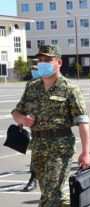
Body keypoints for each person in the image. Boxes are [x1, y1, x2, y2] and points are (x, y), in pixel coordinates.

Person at [12, 44, 90, 207]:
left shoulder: (69, 88)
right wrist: (22, 119)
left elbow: (82, 121)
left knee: (48, 195)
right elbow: (16, 111)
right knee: (53, 194)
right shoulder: (33, 87)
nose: (43, 63)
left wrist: (86, 152)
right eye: (40, 59)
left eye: (48, 59)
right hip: (38, 147)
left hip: (61, 148)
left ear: (58, 62)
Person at [21, 60, 41, 192]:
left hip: (53, 129)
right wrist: (21, 120)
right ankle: (33, 179)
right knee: (35, 154)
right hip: (36, 127)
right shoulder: (30, 85)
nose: (34, 71)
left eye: (36, 68)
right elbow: (24, 106)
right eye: (32, 68)